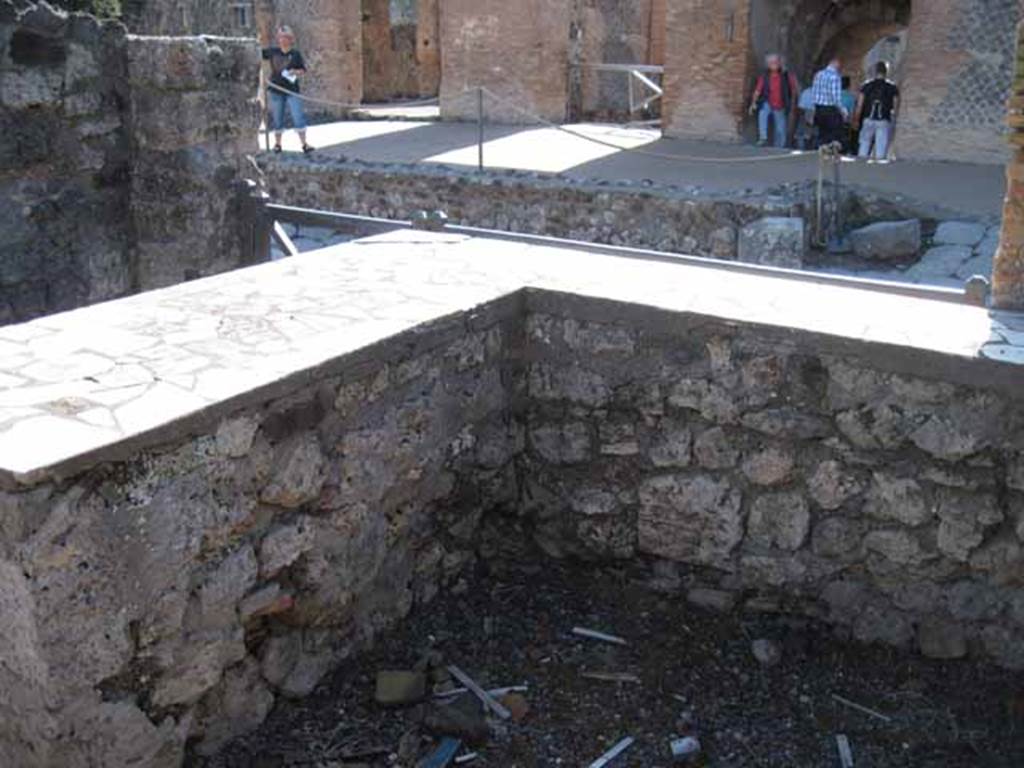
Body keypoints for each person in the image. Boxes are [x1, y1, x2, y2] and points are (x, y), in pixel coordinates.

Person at [261, 26, 313, 154]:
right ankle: (277, 145)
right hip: (276, 90)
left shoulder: (295, 54)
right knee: (277, 118)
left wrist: (294, 71)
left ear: (290, 39)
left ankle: (304, 144)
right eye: (280, 37)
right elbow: (258, 53)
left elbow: (303, 70)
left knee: (298, 116)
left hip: (292, 90)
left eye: (285, 37)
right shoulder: (273, 52)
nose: (282, 40)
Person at [748, 54, 800, 148]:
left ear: (779, 63)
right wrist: (753, 103)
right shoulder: (764, 76)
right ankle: (763, 138)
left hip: (780, 104)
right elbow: (757, 91)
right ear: (768, 65)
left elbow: (793, 90)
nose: (773, 64)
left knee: (780, 128)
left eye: (775, 62)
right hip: (768, 102)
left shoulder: (786, 76)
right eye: (771, 63)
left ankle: (780, 147)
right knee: (762, 113)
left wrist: (793, 106)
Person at [854, 61, 900, 162]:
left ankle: (860, 167)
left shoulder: (866, 85)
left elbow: (859, 105)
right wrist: (894, 120)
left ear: (875, 71)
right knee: (881, 148)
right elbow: (895, 106)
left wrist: (856, 120)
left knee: (864, 144)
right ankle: (878, 169)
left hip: (868, 118)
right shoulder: (892, 87)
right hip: (883, 119)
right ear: (886, 72)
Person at [810, 56, 848, 149]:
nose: (840, 66)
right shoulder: (835, 76)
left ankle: (821, 152)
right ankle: (832, 154)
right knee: (834, 135)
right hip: (830, 109)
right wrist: (843, 110)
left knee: (822, 133)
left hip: (819, 108)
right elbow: (836, 97)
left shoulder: (818, 74)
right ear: (835, 62)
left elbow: (814, 92)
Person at [795, 85, 816, 150]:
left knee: (801, 133)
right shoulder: (822, 91)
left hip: (808, 112)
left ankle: (802, 148)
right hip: (815, 113)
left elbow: (801, 107)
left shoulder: (806, 92)